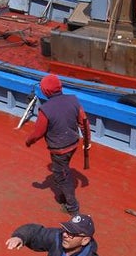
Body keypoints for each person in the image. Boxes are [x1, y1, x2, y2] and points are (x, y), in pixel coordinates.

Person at [24, 74, 91, 214]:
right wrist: (87, 140)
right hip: (73, 143)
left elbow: (38, 132)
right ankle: (62, 193)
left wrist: (29, 141)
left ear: (45, 91)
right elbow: (83, 121)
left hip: (59, 149)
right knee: (62, 168)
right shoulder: (73, 100)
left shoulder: (46, 109)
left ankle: (72, 207)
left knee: (62, 176)